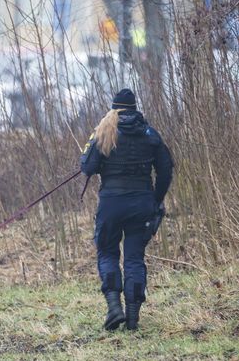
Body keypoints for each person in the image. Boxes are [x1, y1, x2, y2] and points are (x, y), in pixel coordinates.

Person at [80, 89, 173, 331]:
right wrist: (155, 200)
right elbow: (166, 170)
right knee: (134, 258)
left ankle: (114, 308)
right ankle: (132, 317)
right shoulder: (151, 134)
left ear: (114, 108)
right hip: (141, 203)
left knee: (108, 253)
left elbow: (87, 167)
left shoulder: (104, 131)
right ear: (134, 108)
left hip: (111, 204)